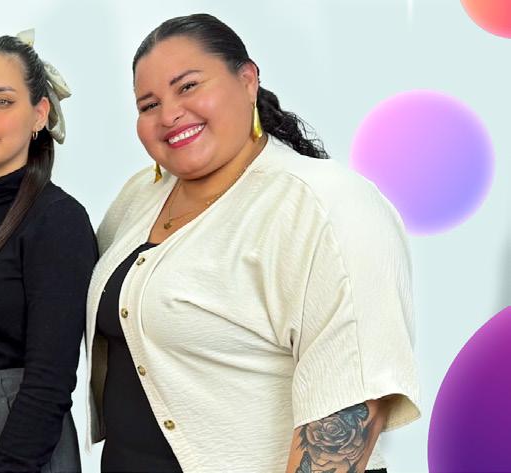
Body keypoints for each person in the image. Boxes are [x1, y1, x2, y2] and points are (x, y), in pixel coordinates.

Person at [86, 13, 420, 473]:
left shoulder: (327, 203)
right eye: (148, 104)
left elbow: (351, 402)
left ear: (247, 81)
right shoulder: (139, 196)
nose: (169, 114)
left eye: (188, 86)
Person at [0, 30, 95, 473]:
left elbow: (50, 382)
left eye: (2, 101)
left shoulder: (58, 220)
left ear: (39, 114)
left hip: (19, 443)